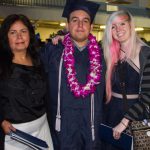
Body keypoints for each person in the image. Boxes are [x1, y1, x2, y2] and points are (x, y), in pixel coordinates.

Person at [40, 0, 106, 149]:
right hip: (62, 130)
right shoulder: (52, 52)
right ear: (67, 25)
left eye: (85, 21)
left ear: (91, 26)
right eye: (75, 20)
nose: (80, 25)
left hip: (91, 129)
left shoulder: (102, 57)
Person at [0, 14, 53, 150]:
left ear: (30, 34)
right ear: (6, 37)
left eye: (23, 31)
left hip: (42, 128)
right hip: (15, 133)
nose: (19, 37)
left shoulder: (39, 60)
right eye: (13, 32)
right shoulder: (2, 64)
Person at [102, 10, 150, 150]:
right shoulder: (109, 54)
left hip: (135, 116)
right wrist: (65, 40)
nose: (118, 29)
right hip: (110, 114)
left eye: (122, 23)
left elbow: (147, 95)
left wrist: (124, 122)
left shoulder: (145, 53)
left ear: (130, 25)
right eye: (113, 26)